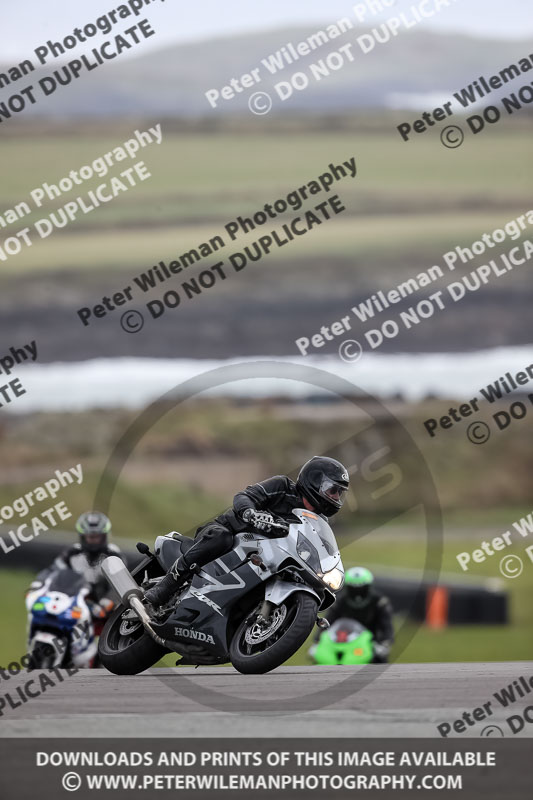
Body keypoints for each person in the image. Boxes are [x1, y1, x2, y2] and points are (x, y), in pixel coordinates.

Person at [145, 456, 350, 607]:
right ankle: (167, 585)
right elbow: (245, 495)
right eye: (332, 490)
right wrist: (250, 513)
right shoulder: (283, 486)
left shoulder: (318, 521)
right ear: (314, 481)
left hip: (263, 556)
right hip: (232, 532)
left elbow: (318, 547)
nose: (335, 497)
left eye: (339, 493)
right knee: (220, 537)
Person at [52, 511, 124, 624]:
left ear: (104, 536)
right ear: (83, 536)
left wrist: (109, 601)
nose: (93, 540)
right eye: (90, 537)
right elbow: (55, 573)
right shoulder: (71, 553)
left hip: (105, 612)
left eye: (97, 537)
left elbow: (122, 582)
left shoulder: (113, 555)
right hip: (74, 607)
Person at [314, 566, 394, 663]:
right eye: (353, 588)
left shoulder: (379, 602)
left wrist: (384, 643)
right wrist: (317, 641)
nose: (357, 593)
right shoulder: (339, 602)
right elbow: (328, 620)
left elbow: (387, 626)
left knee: (380, 660)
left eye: (361, 588)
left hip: (370, 642)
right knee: (321, 658)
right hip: (343, 640)